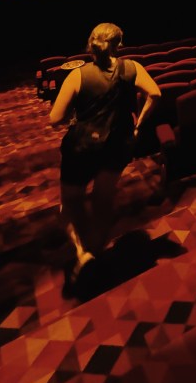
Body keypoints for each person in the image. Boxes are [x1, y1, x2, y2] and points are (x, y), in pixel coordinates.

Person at [49, 22, 161, 280]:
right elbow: (155, 93)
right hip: (118, 145)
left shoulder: (78, 75)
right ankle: (96, 249)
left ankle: (82, 253)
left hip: (81, 149)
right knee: (103, 198)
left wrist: (73, 113)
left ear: (91, 45)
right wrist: (138, 125)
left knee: (70, 203)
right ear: (118, 45)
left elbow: (55, 118)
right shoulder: (132, 67)